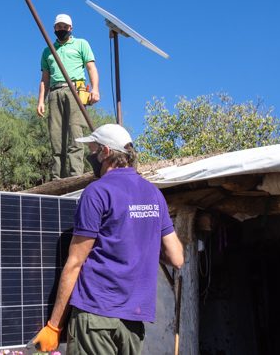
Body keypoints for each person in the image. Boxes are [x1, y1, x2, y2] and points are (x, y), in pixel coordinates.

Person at [33, 124, 185, 354]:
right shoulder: (154, 194)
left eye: (92, 151)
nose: (89, 157)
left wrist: (54, 327)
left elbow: (75, 263)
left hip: (95, 316)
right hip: (133, 321)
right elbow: (177, 258)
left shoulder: (98, 191)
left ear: (105, 152)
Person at [37, 13, 100, 180]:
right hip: (55, 93)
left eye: (65, 27)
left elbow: (91, 68)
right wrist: (41, 101)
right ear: (54, 28)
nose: (62, 29)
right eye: (59, 27)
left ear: (71, 28)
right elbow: (44, 79)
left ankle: (75, 177)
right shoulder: (48, 51)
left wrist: (95, 89)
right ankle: (57, 178)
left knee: (75, 134)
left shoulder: (81, 44)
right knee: (56, 137)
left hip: (75, 91)